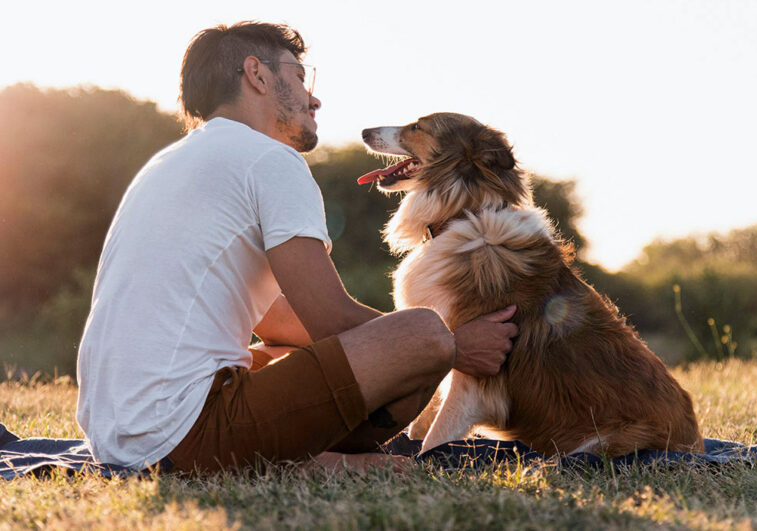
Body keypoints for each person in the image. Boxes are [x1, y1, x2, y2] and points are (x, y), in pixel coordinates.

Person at [75, 21, 519, 474]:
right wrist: (451, 346)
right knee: (421, 332)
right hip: (180, 436)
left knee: (287, 354)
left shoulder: (171, 161)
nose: (314, 98)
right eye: (300, 77)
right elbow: (330, 318)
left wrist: (394, 347)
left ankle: (286, 455)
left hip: (116, 434)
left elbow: (274, 318)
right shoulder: (270, 160)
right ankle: (303, 464)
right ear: (258, 75)